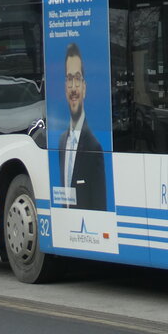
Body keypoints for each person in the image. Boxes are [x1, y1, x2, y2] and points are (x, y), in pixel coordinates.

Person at [59, 42, 107, 211]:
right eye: (69, 79)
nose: (73, 88)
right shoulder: (61, 142)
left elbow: (100, 208)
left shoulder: (94, 147)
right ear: (65, 87)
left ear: (84, 88)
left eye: (77, 79)